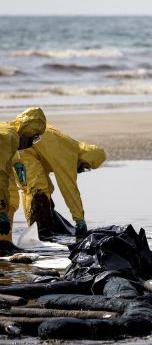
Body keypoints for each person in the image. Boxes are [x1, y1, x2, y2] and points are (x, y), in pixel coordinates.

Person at [8, 125, 106, 238]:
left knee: (44, 189)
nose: (82, 170)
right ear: (84, 158)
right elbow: (69, 189)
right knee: (38, 190)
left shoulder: (70, 145)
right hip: (24, 149)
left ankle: (37, 229)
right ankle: (39, 232)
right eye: (85, 166)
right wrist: (79, 219)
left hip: (24, 147)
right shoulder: (69, 155)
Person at [0, 107, 47, 253]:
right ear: (27, 133)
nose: (32, 143)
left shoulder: (7, 130)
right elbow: (0, 176)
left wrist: (16, 161)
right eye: (34, 137)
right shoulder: (10, 137)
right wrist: (1, 210)